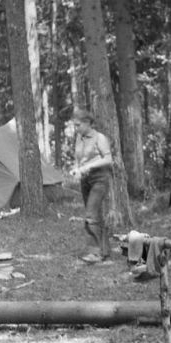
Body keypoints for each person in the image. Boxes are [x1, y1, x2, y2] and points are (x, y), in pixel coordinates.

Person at [70, 109, 113, 264]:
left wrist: (87, 167)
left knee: (90, 214)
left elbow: (108, 159)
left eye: (78, 125)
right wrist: (76, 168)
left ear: (88, 123)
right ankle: (104, 251)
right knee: (96, 215)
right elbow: (79, 159)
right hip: (85, 179)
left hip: (100, 179)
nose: (76, 128)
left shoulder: (99, 138)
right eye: (75, 125)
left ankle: (94, 253)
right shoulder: (79, 138)